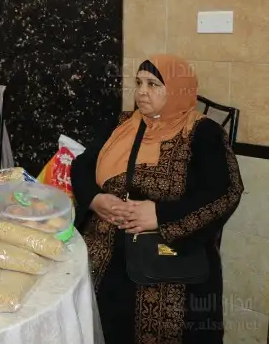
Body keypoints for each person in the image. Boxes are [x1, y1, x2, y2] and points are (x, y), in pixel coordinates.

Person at [71, 54, 244, 344]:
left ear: (176, 89)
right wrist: (95, 199)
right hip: (104, 249)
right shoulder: (122, 124)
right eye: (139, 83)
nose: (141, 92)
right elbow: (83, 165)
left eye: (153, 84)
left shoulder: (203, 133)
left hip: (167, 257)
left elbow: (226, 192)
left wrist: (160, 216)